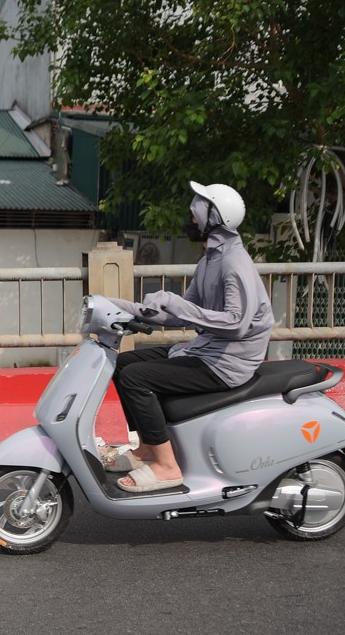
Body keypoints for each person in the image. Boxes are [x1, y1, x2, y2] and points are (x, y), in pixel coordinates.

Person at [109, 181, 275, 492]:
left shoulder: (234, 264)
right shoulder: (209, 261)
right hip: (204, 349)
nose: (191, 219)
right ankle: (148, 448)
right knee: (123, 364)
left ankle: (167, 467)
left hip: (227, 363)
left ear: (214, 217)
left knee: (136, 378)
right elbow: (183, 315)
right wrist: (126, 309)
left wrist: (176, 303)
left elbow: (236, 324)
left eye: (195, 212)